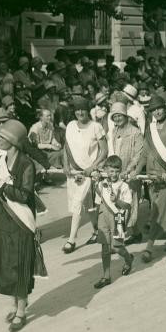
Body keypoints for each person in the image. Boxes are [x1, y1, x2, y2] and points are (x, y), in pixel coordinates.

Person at [0, 119, 47, 332]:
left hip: (20, 222)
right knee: (4, 264)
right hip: (2, 220)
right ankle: (16, 303)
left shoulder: (25, 164)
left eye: (1, 136)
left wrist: (3, 184)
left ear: (12, 140)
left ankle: (21, 310)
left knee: (19, 265)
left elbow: (23, 195)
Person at [134, 96, 166, 263]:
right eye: (154, 109)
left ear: (165, 108)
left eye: (160, 108)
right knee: (165, 209)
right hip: (153, 178)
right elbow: (145, 152)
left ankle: (149, 247)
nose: (157, 111)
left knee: (159, 212)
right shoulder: (150, 128)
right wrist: (136, 170)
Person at [62, 98, 108, 253]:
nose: (80, 112)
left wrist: (92, 167)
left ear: (88, 110)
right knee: (89, 204)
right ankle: (96, 230)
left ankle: (71, 239)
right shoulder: (70, 126)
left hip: (88, 172)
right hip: (73, 172)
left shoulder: (96, 126)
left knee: (77, 203)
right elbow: (66, 147)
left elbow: (104, 150)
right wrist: (65, 165)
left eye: (82, 109)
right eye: (77, 109)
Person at [92, 155, 135, 289]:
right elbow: (99, 201)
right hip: (103, 216)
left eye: (117, 171)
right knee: (105, 247)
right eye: (111, 171)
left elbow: (128, 206)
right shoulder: (102, 183)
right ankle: (106, 276)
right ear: (106, 170)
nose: (114, 174)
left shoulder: (124, 186)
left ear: (120, 170)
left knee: (116, 247)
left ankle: (128, 258)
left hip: (118, 218)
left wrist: (116, 200)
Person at [107, 102, 144, 245]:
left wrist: (128, 170)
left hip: (130, 174)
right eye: (114, 116)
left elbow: (138, 154)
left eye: (119, 115)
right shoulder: (114, 131)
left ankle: (123, 235)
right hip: (117, 173)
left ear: (125, 116)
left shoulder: (135, 132)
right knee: (118, 204)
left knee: (130, 204)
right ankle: (134, 233)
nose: (117, 119)